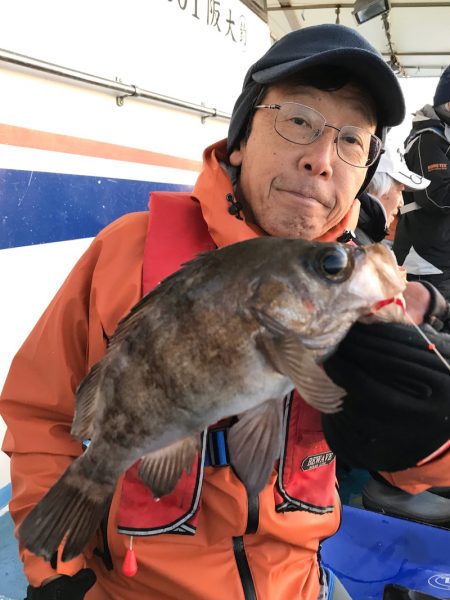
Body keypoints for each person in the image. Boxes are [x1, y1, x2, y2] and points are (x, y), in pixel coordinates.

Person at [1, 24, 450, 600]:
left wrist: (432, 435)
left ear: (365, 172)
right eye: (298, 120)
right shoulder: (124, 251)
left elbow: (415, 474)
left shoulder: (364, 287)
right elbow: (41, 415)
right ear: (239, 138)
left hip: (300, 584)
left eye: (351, 141)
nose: (319, 159)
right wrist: (55, 574)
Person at [393, 65, 450, 300]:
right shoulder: (428, 139)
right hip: (426, 261)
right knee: (432, 326)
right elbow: (434, 196)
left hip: (442, 256)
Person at [355, 147, 430, 245]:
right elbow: (428, 202)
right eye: (399, 191)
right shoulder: (353, 242)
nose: (401, 203)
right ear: (376, 186)